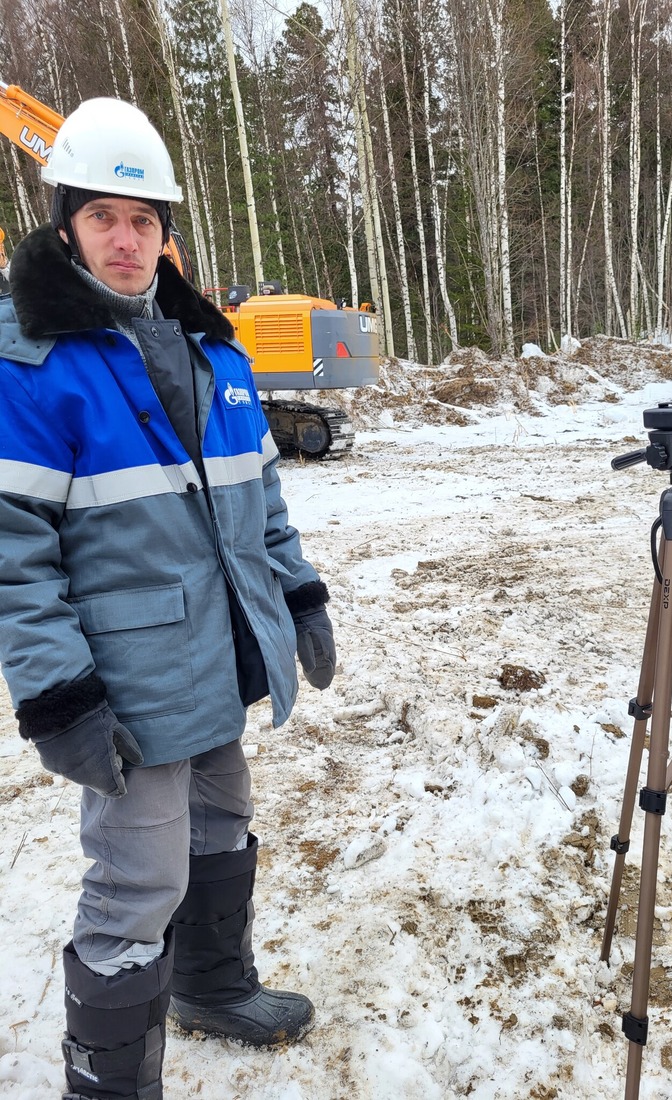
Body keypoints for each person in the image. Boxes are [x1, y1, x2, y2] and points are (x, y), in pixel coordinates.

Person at [0, 97, 336, 1099]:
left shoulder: (212, 349)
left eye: (144, 220)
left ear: (166, 234)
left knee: (223, 820)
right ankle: (108, 1087)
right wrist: (60, 696)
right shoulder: (33, 364)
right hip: (126, 684)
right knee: (136, 882)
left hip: (215, 651)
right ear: (66, 224)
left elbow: (260, 495)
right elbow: (14, 554)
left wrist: (302, 590)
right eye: (104, 216)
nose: (126, 238)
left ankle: (213, 986)